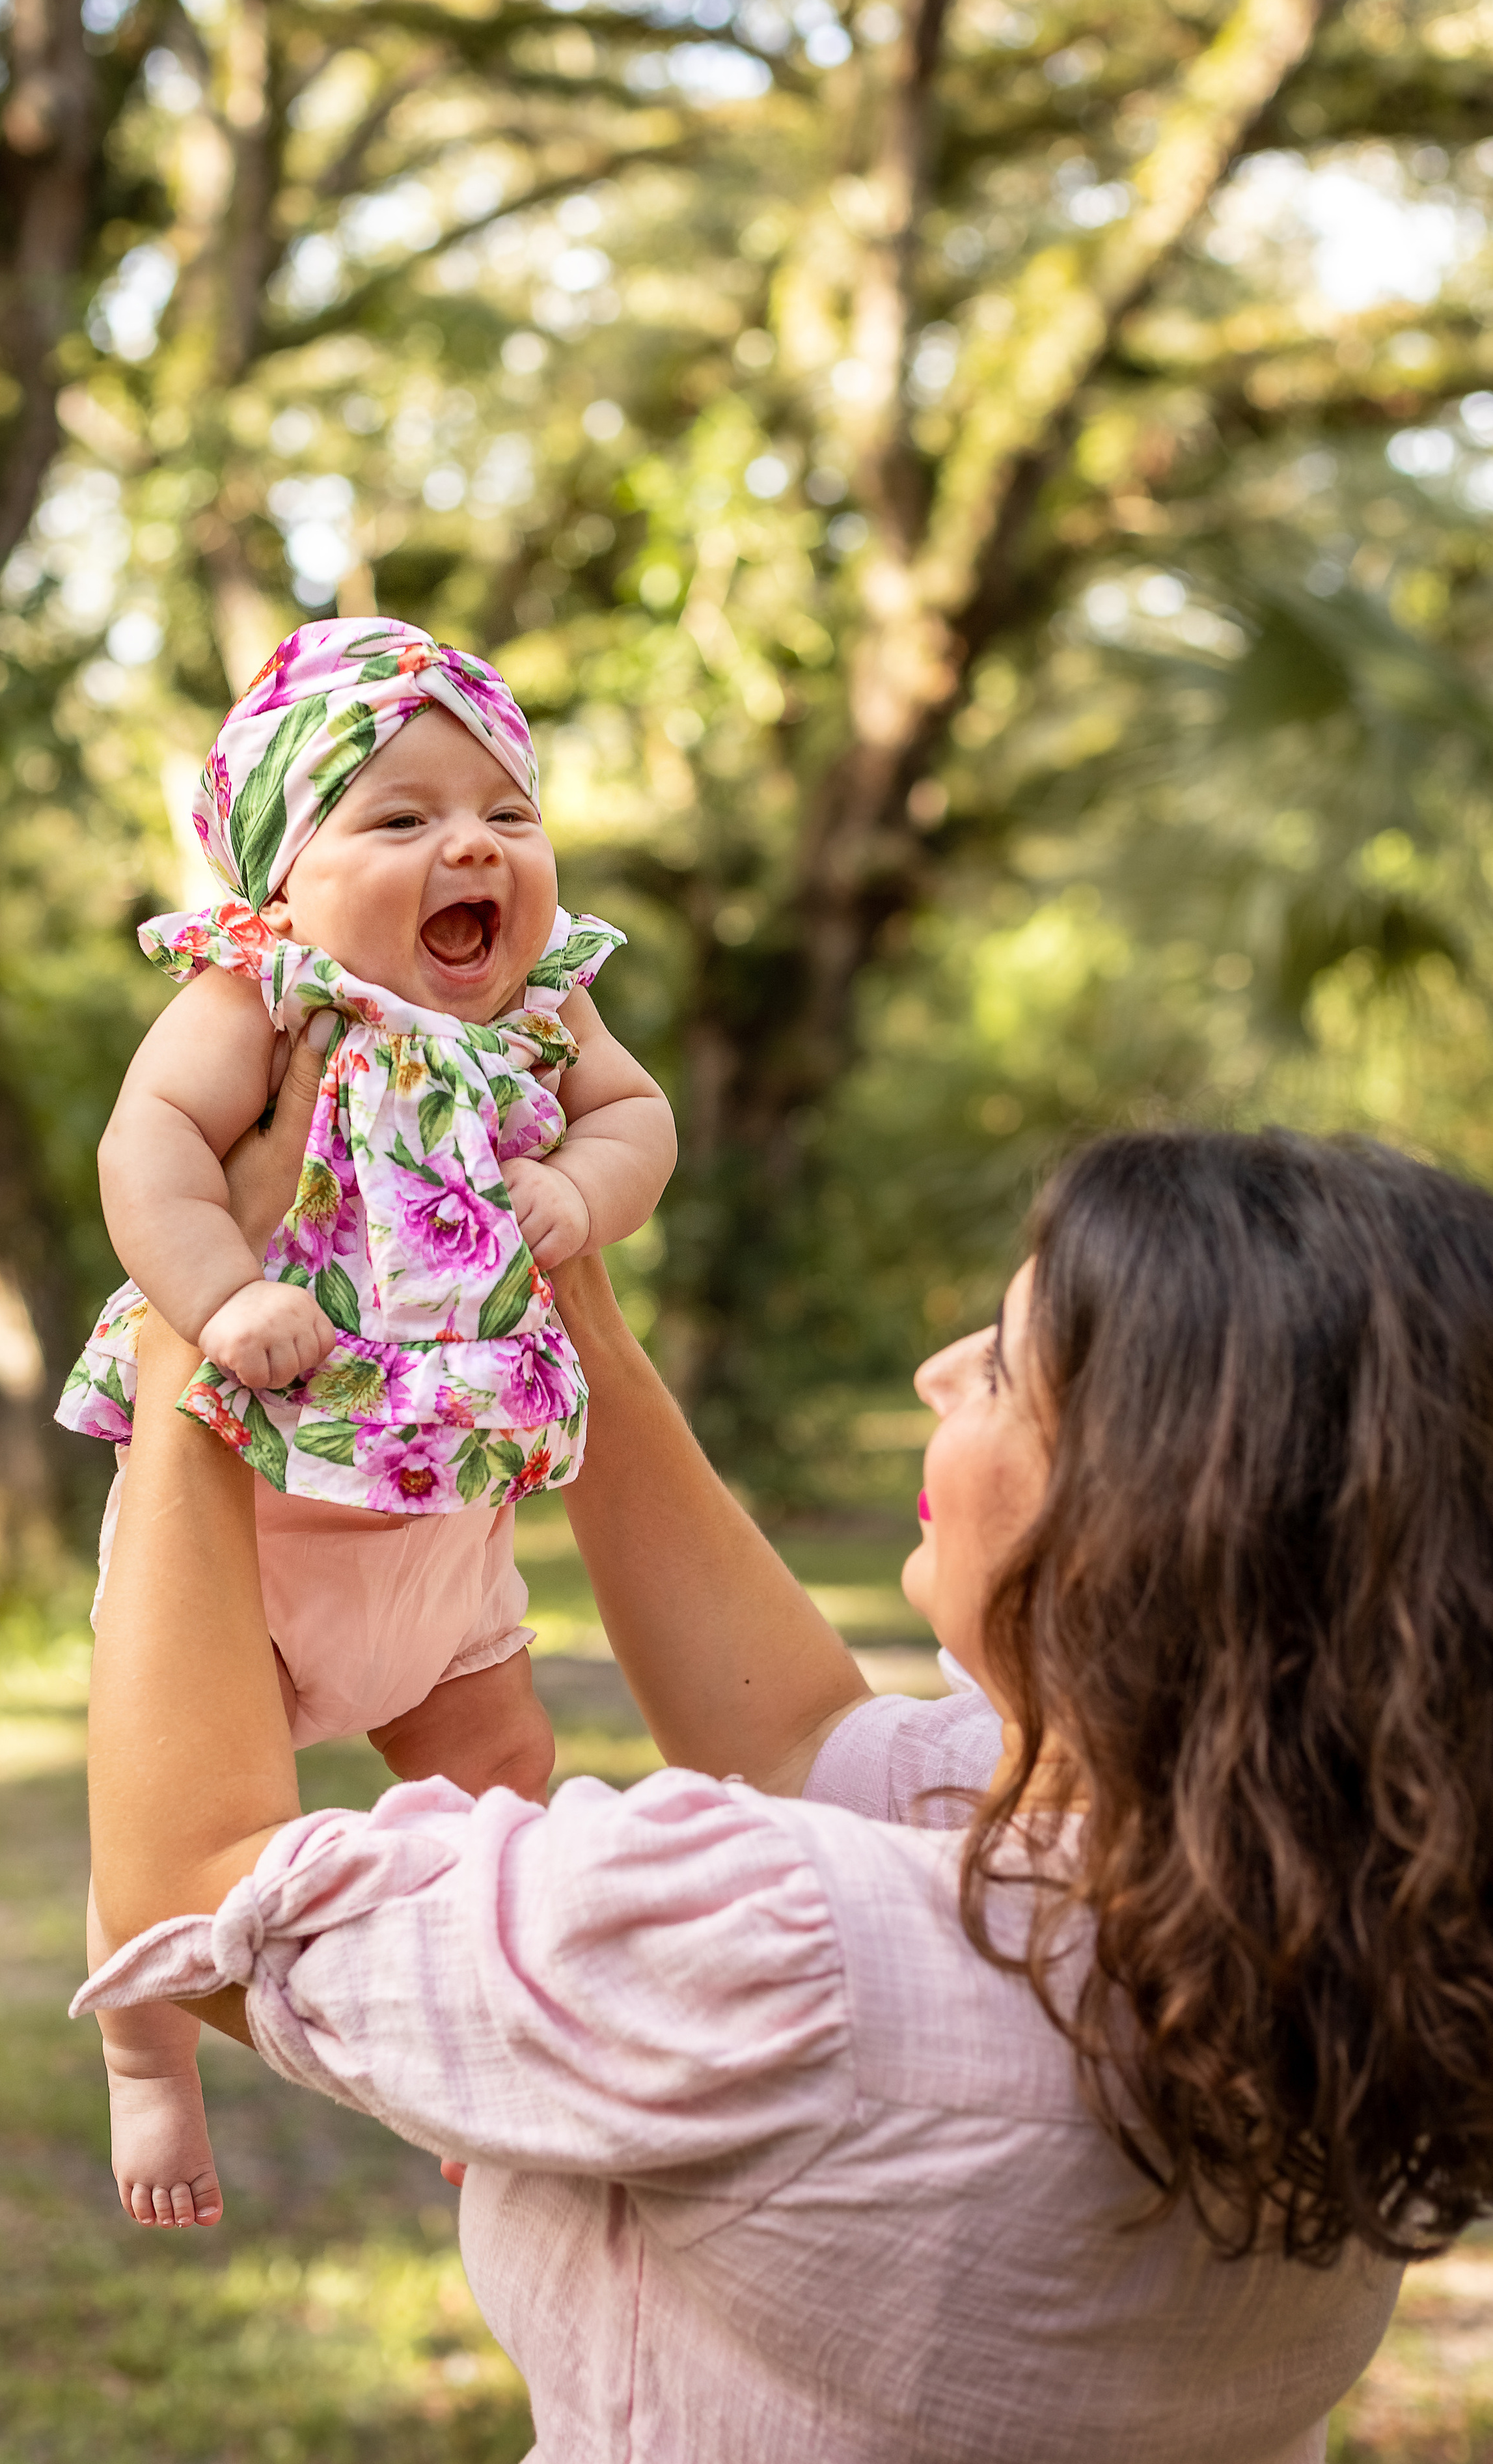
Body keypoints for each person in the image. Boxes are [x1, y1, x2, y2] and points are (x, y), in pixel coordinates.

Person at [78, 1048, 1493, 2459]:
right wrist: (558, 1295)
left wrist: (182, 1336)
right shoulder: (1323, 1920)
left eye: (1002, 1369)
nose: (940, 1374)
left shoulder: (780, 1953)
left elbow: (200, 1893)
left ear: (1165, 1510)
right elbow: (798, 1736)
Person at [59, 618, 674, 2230]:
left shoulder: (547, 1002)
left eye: (505, 815)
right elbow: (152, 1152)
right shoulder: (259, 991)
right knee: (169, 1815)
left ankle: (490, 2056)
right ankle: (147, 2068)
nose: (469, 844)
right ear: (279, 871)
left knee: (505, 1779)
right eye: (396, 819)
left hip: (438, 1521)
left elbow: (636, 1118)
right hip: (250, 1522)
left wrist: (578, 1187)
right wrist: (216, 1295)